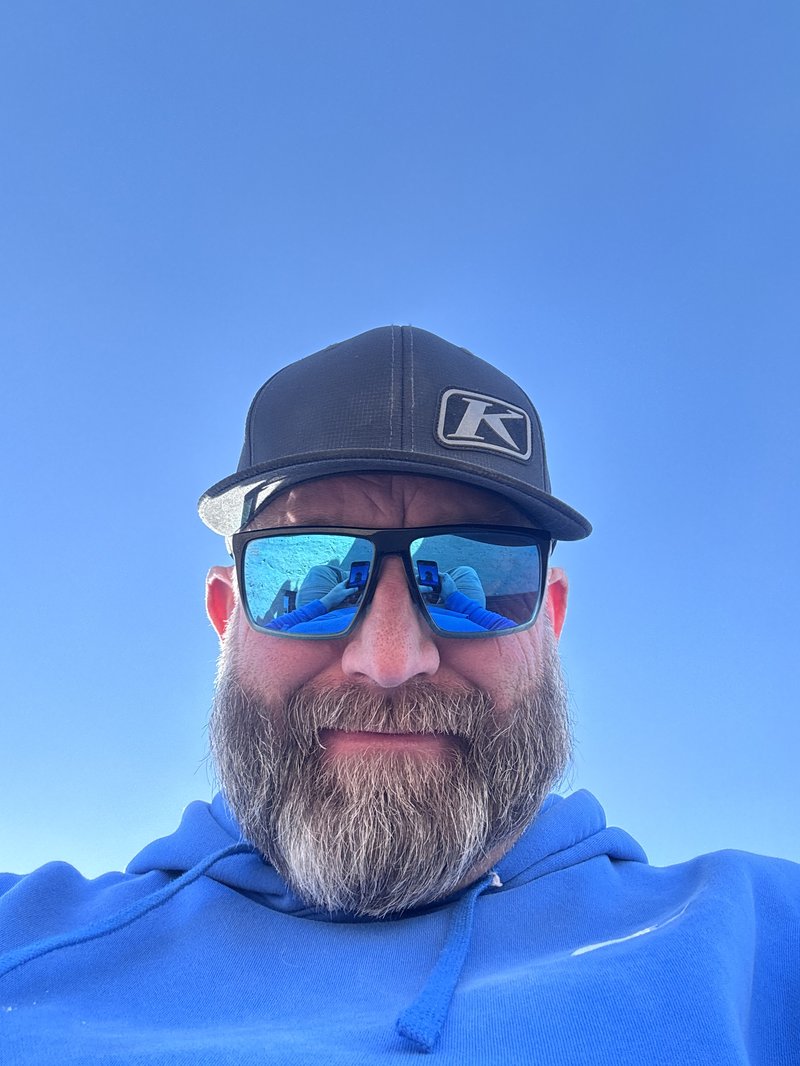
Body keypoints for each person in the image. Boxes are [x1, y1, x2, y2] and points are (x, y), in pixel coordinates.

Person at [1, 326, 797, 1064]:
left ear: (549, 622)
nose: (389, 660)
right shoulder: (24, 943)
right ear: (226, 617)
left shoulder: (757, 944)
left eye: (476, 578)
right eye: (312, 576)